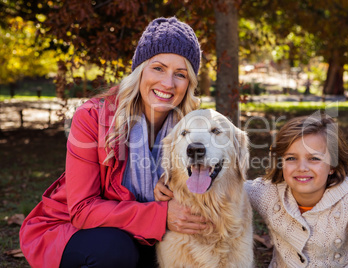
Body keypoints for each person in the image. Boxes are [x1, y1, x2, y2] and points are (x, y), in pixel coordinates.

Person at [20, 17, 208, 268]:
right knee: (114, 251)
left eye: (180, 74)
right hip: (74, 228)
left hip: (145, 234)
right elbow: (82, 210)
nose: (168, 83)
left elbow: (203, 194)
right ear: (140, 70)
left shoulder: (191, 129)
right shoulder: (93, 117)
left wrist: (176, 184)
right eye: (158, 68)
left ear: (189, 83)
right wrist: (160, 213)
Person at [244, 114, 348, 267]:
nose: (302, 168)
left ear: (333, 165)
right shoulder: (268, 193)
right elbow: (230, 189)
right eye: (291, 158)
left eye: (314, 158)